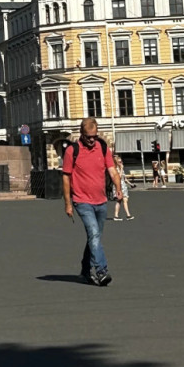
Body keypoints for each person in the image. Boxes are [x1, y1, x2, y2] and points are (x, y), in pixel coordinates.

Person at [62, 117, 122, 286]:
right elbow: (66, 178)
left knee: (94, 237)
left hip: (101, 201)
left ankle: (84, 269)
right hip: (82, 201)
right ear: (81, 134)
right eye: (89, 136)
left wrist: (118, 188)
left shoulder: (102, 147)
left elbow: (112, 170)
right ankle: (102, 271)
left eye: (94, 136)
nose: (92, 139)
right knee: (94, 234)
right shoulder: (72, 151)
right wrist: (67, 203)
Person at [111, 154, 134, 221]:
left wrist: (130, 184)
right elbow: (119, 177)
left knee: (125, 200)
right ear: (116, 162)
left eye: (121, 161)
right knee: (119, 200)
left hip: (123, 185)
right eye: (119, 162)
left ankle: (127, 215)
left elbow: (124, 178)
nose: (121, 163)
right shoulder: (116, 169)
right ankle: (117, 215)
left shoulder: (121, 169)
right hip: (118, 186)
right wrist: (121, 169)